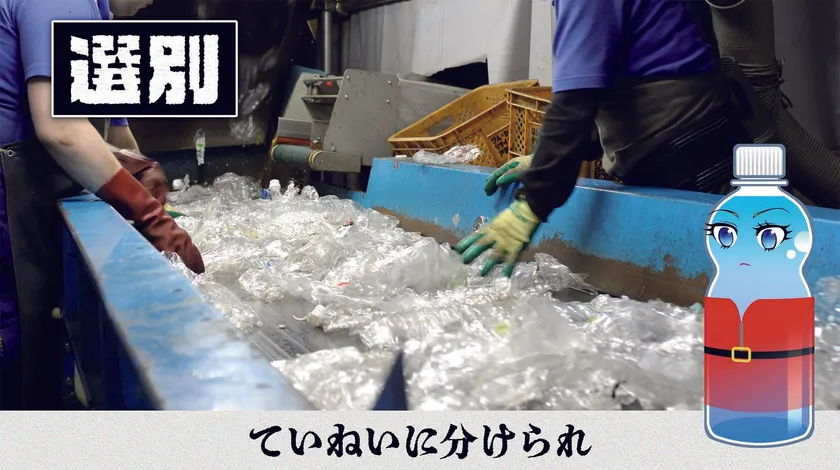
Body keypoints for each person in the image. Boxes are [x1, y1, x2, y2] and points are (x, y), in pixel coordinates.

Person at [456, 0, 753, 277]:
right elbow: (613, 85)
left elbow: (574, 103)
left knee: (734, 292)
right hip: (682, 165)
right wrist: (543, 161)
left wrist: (530, 205)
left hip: (702, 178)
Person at [0, 0, 201, 408]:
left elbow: (113, 134)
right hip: (9, 196)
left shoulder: (99, 17)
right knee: (17, 341)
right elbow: (61, 130)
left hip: (29, 194)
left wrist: (140, 168)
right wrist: (150, 214)